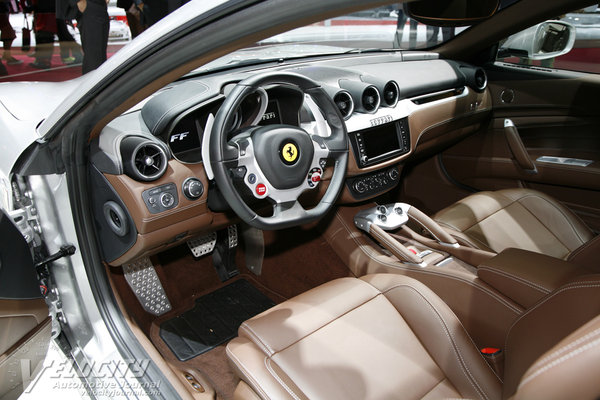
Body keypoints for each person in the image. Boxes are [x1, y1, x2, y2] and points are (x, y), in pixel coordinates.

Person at [75, 0, 109, 73]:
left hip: (100, 6)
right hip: (89, 6)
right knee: (93, 57)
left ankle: (100, 82)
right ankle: (92, 83)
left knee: (100, 55)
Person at [30, 0, 56, 69]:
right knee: (44, 37)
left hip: (46, 17)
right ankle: (42, 61)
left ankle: (44, 61)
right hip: (44, 16)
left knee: (45, 37)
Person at [0, 0, 22, 65]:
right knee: (9, 32)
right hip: (2, 8)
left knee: (7, 32)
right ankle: (7, 56)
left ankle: (6, 55)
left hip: (4, 7)